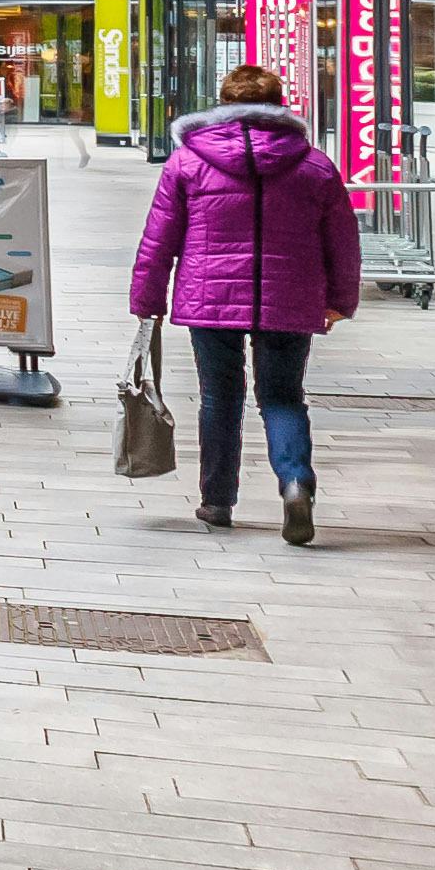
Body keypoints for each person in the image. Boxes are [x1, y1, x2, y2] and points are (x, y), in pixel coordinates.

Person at [130, 58, 360, 542]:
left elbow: (159, 237)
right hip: (290, 298)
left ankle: (217, 502)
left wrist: (148, 298)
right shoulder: (315, 165)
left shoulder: (187, 162)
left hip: (209, 296)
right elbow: (342, 238)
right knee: (282, 397)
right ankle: (296, 482)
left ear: (224, 107)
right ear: (279, 106)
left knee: (219, 399)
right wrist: (340, 298)